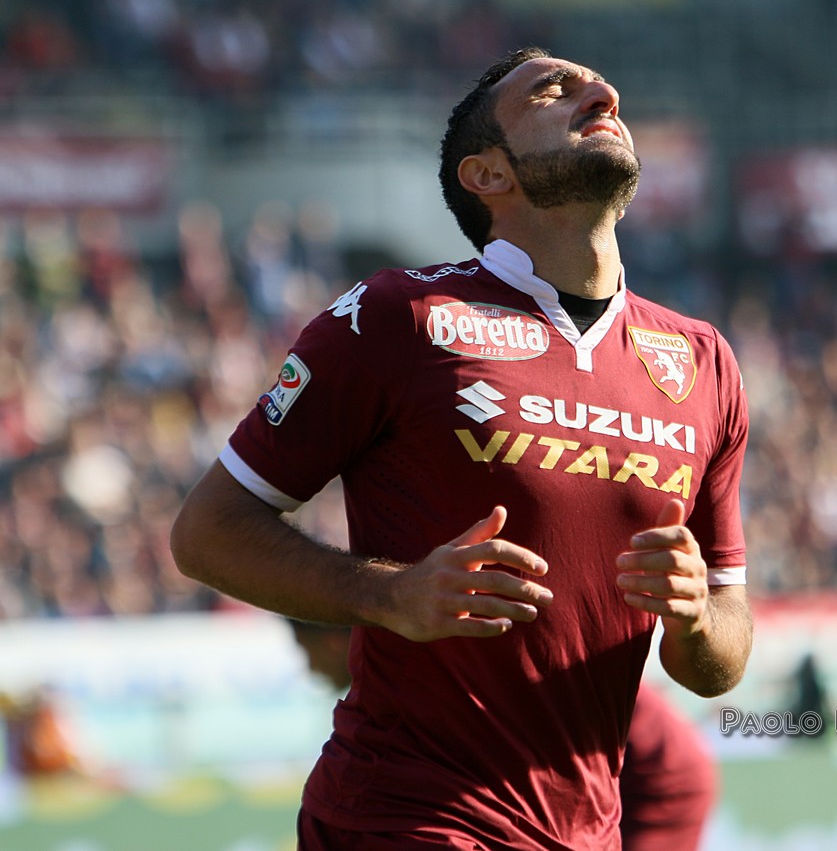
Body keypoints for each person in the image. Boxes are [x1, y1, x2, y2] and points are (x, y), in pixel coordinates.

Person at [170, 46, 752, 850]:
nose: (601, 89)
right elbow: (206, 532)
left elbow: (721, 657)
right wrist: (390, 594)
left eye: (597, 83)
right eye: (552, 90)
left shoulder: (703, 361)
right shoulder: (397, 316)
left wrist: (693, 618)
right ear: (488, 174)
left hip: (588, 830)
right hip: (408, 815)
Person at [287, 619, 719, 850]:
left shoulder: (427, 657)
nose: (310, 668)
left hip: (659, 776)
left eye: (307, 651)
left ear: (331, 643)